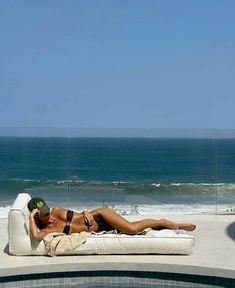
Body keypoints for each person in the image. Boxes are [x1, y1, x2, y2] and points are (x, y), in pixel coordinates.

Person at [28, 197, 196, 241]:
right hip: (100, 228)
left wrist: (87, 213)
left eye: (46, 210)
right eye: (43, 213)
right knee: (133, 228)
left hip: (101, 214)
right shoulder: (46, 230)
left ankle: (167, 223)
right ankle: (160, 225)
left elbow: (81, 213)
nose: (48, 214)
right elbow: (35, 236)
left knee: (131, 228)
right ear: (36, 215)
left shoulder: (56, 210)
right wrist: (30, 217)